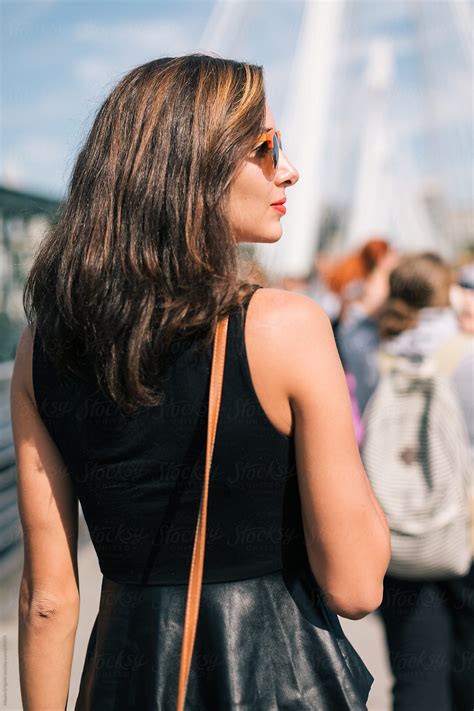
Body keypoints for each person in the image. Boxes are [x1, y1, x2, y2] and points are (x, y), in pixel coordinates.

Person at [11, 54, 390, 710]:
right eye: (267, 147)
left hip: (123, 679)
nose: (290, 170)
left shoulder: (42, 347)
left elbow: (47, 599)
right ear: (197, 165)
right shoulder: (284, 326)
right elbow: (357, 585)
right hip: (279, 680)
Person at [337, 252, 474, 710]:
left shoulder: (367, 350)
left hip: (394, 532)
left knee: (416, 674)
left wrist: (381, 294)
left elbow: (350, 326)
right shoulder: (467, 355)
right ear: (448, 294)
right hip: (466, 532)